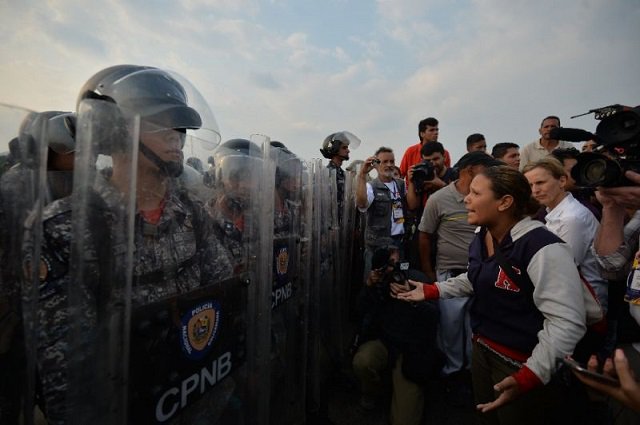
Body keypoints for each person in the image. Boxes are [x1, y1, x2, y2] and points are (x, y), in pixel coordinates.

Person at [22, 65, 233, 424]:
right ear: (115, 133)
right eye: (158, 126)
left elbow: (225, 295)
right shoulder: (62, 229)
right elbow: (68, 376)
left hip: (198, 394)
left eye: (178, 128)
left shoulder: (192, 212)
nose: (176, 139)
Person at [397, 165, 588, 425]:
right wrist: (433, 290)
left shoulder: (543, 248)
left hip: (520, 362)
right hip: (483, 350)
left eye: (476, 193)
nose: (466, 198)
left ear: (505, 202)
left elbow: (567, 322)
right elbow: (480, 278)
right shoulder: (482, 234)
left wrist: (531, 375)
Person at [418, 152, 503, 397]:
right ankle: (452, 374)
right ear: (471, 170)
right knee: (451, 329)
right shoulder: (440, 199)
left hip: (481, 274)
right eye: (486, 170)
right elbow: (424, 235)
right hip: (450, 274)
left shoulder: (489, 198)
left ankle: (472, 374)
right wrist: (428, 271)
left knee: (476, 329)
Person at [352, 246, 440, 425]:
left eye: (396, 264)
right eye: (388, 266)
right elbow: (358, 313)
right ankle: (373, 390)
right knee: (362, 362)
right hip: (385, 342)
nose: (394, 270)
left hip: (412, 351)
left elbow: (434, 317)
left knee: (404, 420)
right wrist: (369, 287)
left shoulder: (417, 279)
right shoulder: (379, 284)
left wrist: (413, 298)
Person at [523, 157, 608, 313]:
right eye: (530, 185)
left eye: (540, 183)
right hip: (567, 299)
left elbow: (563, 270)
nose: (535, 190)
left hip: (583, 306)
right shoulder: (554, 212)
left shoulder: (571, 218)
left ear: (562, 181)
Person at [356, 147, 406, 280]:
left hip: (397, 243)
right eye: (385, 162)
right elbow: (361, 204)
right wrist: (362, 175)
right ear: (376, 165)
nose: (389, 165)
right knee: (373, 282)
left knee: (397, 281)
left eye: (392, 161)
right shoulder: (370, 186)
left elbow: (411, 207)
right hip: (377, 246)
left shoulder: (401, 185)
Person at [320, 131, 360, 223]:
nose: (348, 150)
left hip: (344, 224)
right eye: (344, 147)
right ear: (334, 149)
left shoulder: (343, 174)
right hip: (331, 226)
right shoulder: (327, 174)